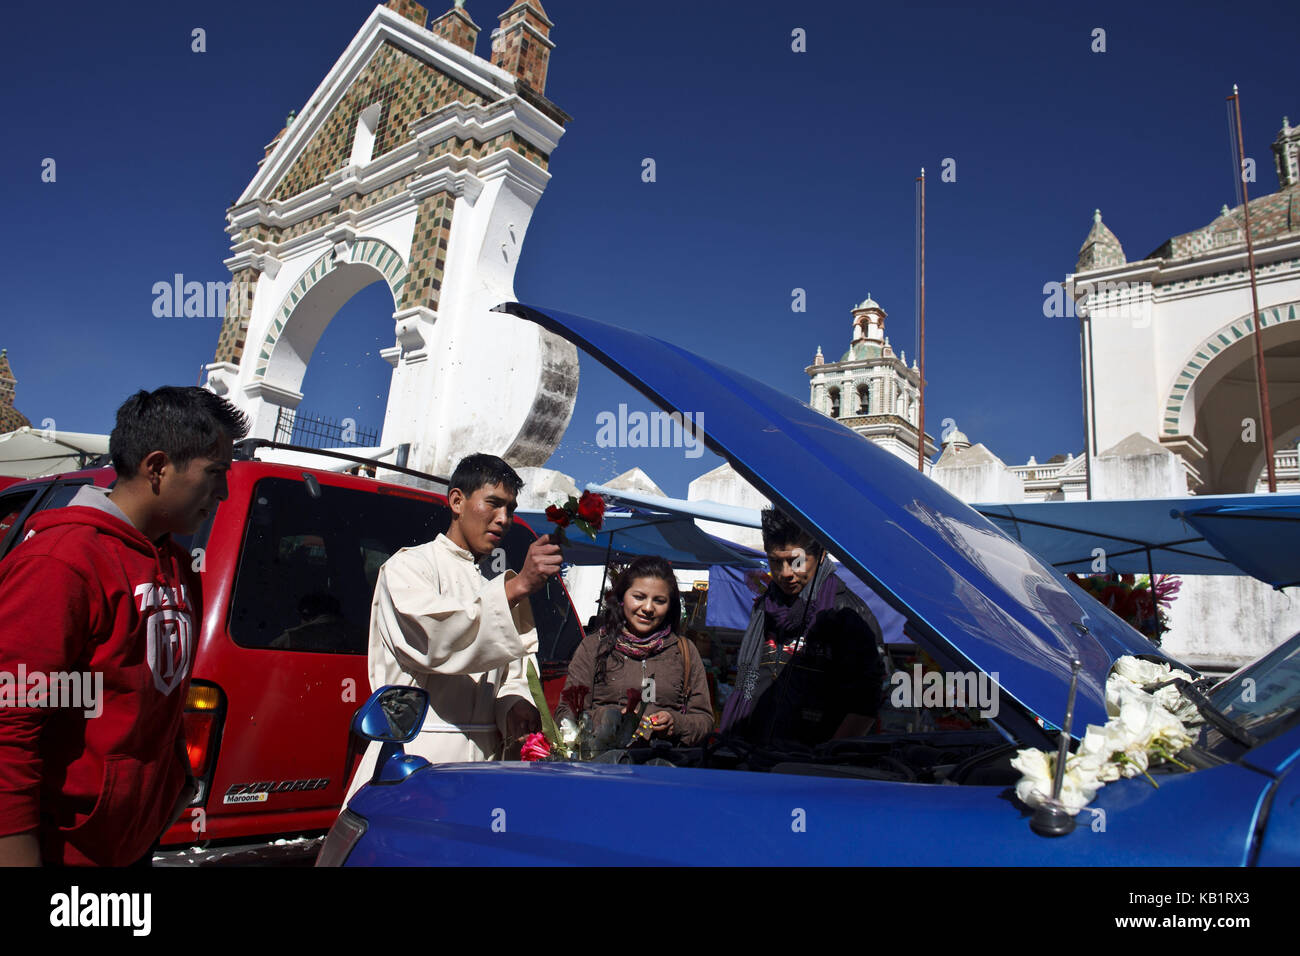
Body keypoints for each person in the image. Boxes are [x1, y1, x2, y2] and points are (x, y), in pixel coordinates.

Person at [0, 386, 248, 866]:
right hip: (63, 851)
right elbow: (9, 728)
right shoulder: (62, 562)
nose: (223, 492)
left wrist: (173, 782)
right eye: (215, 474)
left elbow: (162, 695)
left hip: (132, 843)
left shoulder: (176, 564)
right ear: (157, 468)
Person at [345, 454, 561, 799]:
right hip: (418, 758)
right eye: (493, 504)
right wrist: (517, 587)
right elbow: (436, 640)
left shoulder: (489, 586)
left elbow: (515, 674)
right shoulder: (409, 567)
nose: (503, 519)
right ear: (457, 501)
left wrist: (514, 706)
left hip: (486, 765)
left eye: (510, 509)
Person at [719, 508, 885, 748]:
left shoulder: (846, 614)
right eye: (776, 561)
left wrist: (825, 761)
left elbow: (865, 705)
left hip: (809, 765)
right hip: (753, 755)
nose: (786, 573)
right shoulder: (764, 608)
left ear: (821, 554)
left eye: (796, 561)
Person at [555, 556, 713, 747]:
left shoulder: (684, 651)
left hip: (665, 768)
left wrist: (675, 723)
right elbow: (566, 714)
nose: (647, 608)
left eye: (659, 601)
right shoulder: (593, 648)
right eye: (639, 597)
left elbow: (704, 721)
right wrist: (609, 720)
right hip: (601, 768)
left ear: (670, 605)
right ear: (622, 598)